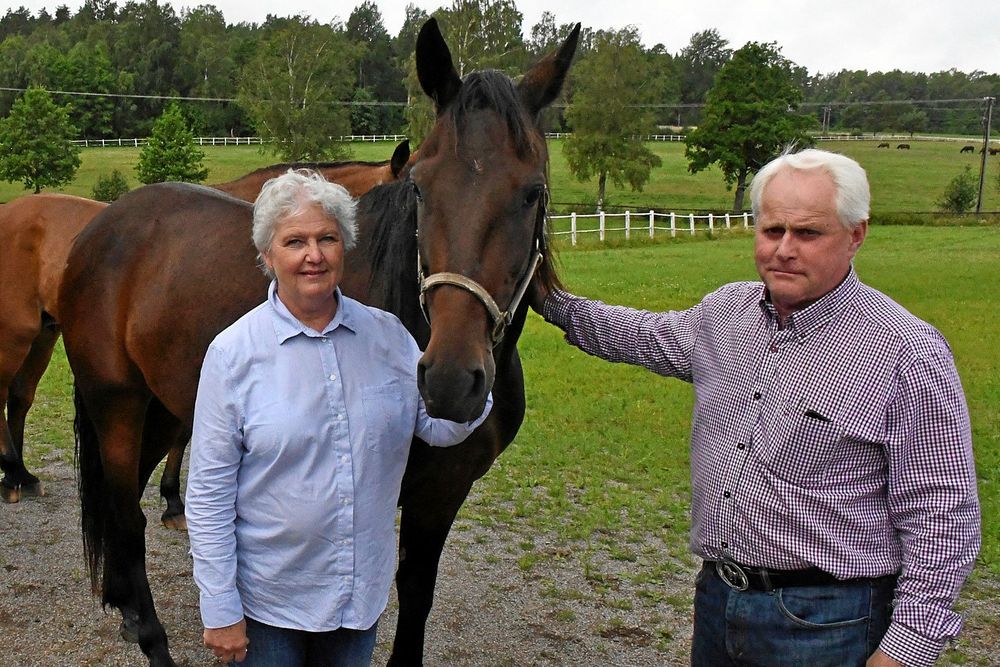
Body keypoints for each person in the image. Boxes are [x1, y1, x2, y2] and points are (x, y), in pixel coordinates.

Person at [534, 149, 980, 667]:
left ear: (856, 234)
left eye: (808, 234)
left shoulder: (905, 351)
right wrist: (543, 295)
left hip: (829, 623)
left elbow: (943, 519)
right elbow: (642, 335)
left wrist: (905, 650)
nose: (784, 250)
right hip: (719, 598)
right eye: (771, 231)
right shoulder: (726, 315)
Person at [185, 168, 492, 666]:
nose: (314, 255)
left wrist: (472, 381)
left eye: (327, 238)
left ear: (345, 248)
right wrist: (220, 607)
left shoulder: (388, 338)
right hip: (270, 605)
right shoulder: (234, 354)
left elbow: (436, 428)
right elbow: (208, 492)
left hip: (357, 600)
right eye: (295, 241)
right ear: (268, 256)